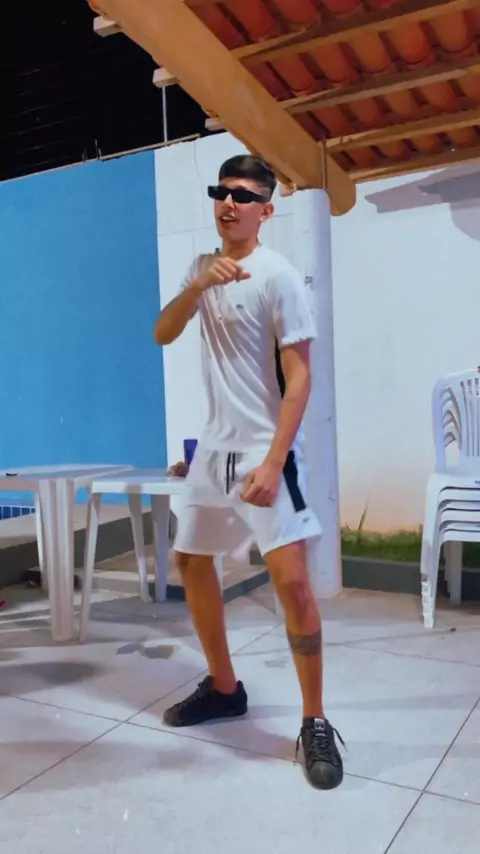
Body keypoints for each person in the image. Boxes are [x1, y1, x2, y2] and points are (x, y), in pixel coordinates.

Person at [153, 154, 344, 790]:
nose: (228, 203)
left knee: (294, 586)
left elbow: (301, 377)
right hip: (213, 452)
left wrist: (274, 461)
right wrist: (198, 285)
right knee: (191, 562)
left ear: (266, 209)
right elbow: (162, 333)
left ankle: (314, 721)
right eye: (221, 192)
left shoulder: (278, 276)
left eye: (242, 195)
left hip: (265, 452)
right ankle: (224, 687)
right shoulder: (201, 270)